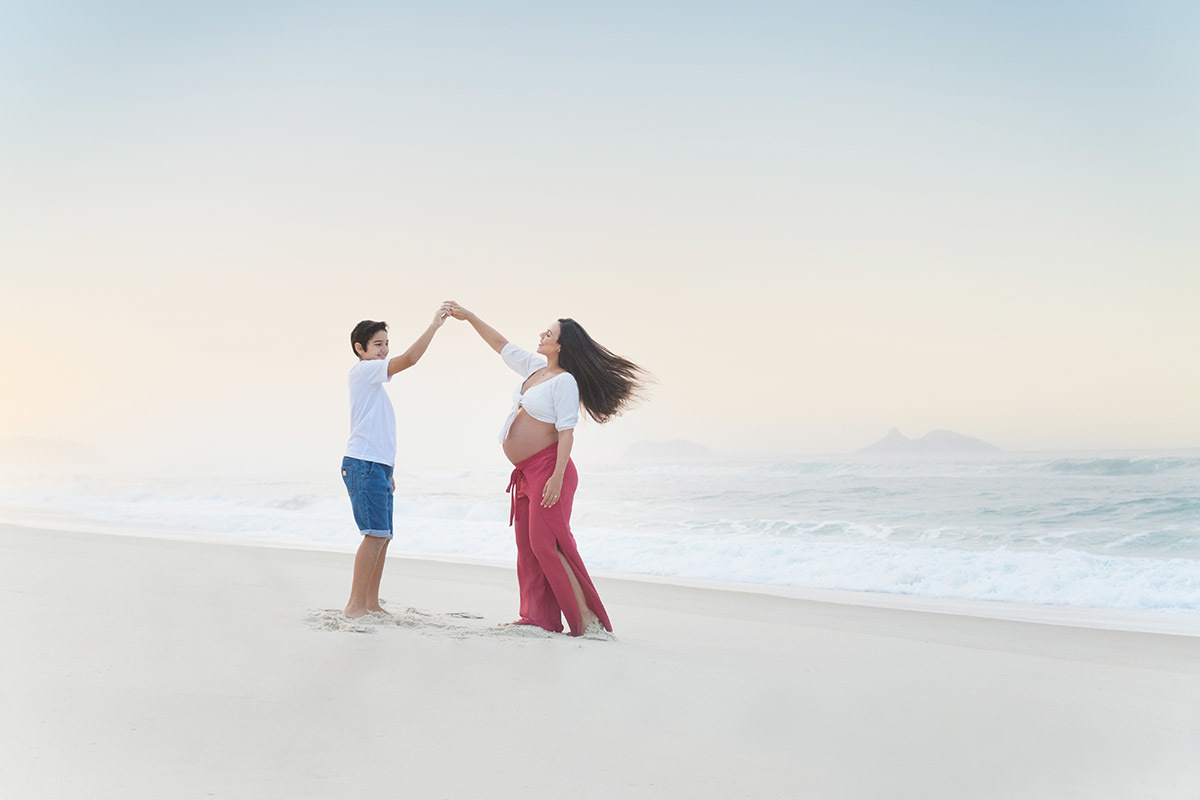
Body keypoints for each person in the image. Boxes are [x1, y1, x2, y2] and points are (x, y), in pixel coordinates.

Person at [442, 301, 647, 637]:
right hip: (526, 472)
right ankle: (538, 618)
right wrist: (470, 317)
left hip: (551, 470)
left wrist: (555, 477)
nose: (542, 334)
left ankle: (586, 619)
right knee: (527, 545)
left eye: (548, 333)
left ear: (561, 345)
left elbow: (566, 432)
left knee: (546, 544)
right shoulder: (536, 369)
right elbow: (500, 345)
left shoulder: (565, 381)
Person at [341, 307, 449, 619]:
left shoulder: (373, 382)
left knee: (383, 536)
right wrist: (433, 326)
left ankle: (371, 603)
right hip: (363, 463)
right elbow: (410, 359)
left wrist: (389, 471)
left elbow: (380, 432)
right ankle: (354, 606)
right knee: (374, 534)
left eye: (386, 343)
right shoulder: (363, 370)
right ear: (360, 349)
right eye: (377, 344)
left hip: (377, 466)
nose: (385, 349)